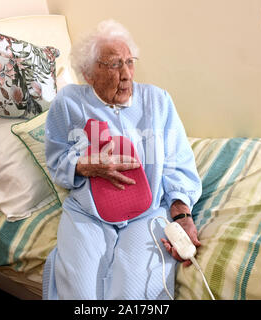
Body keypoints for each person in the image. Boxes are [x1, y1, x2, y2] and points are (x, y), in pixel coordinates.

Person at [42, 19, 202, 300]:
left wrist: (183, 215)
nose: (127, 74)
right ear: (88, 74)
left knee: (132, 293)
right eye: (115, 65)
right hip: (87, 214)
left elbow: (177, 163)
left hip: (147, 212)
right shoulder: (68, 104)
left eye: (130, 62)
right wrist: (86, 166)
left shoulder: (158, 101)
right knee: (78, 293)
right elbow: (56, 161)